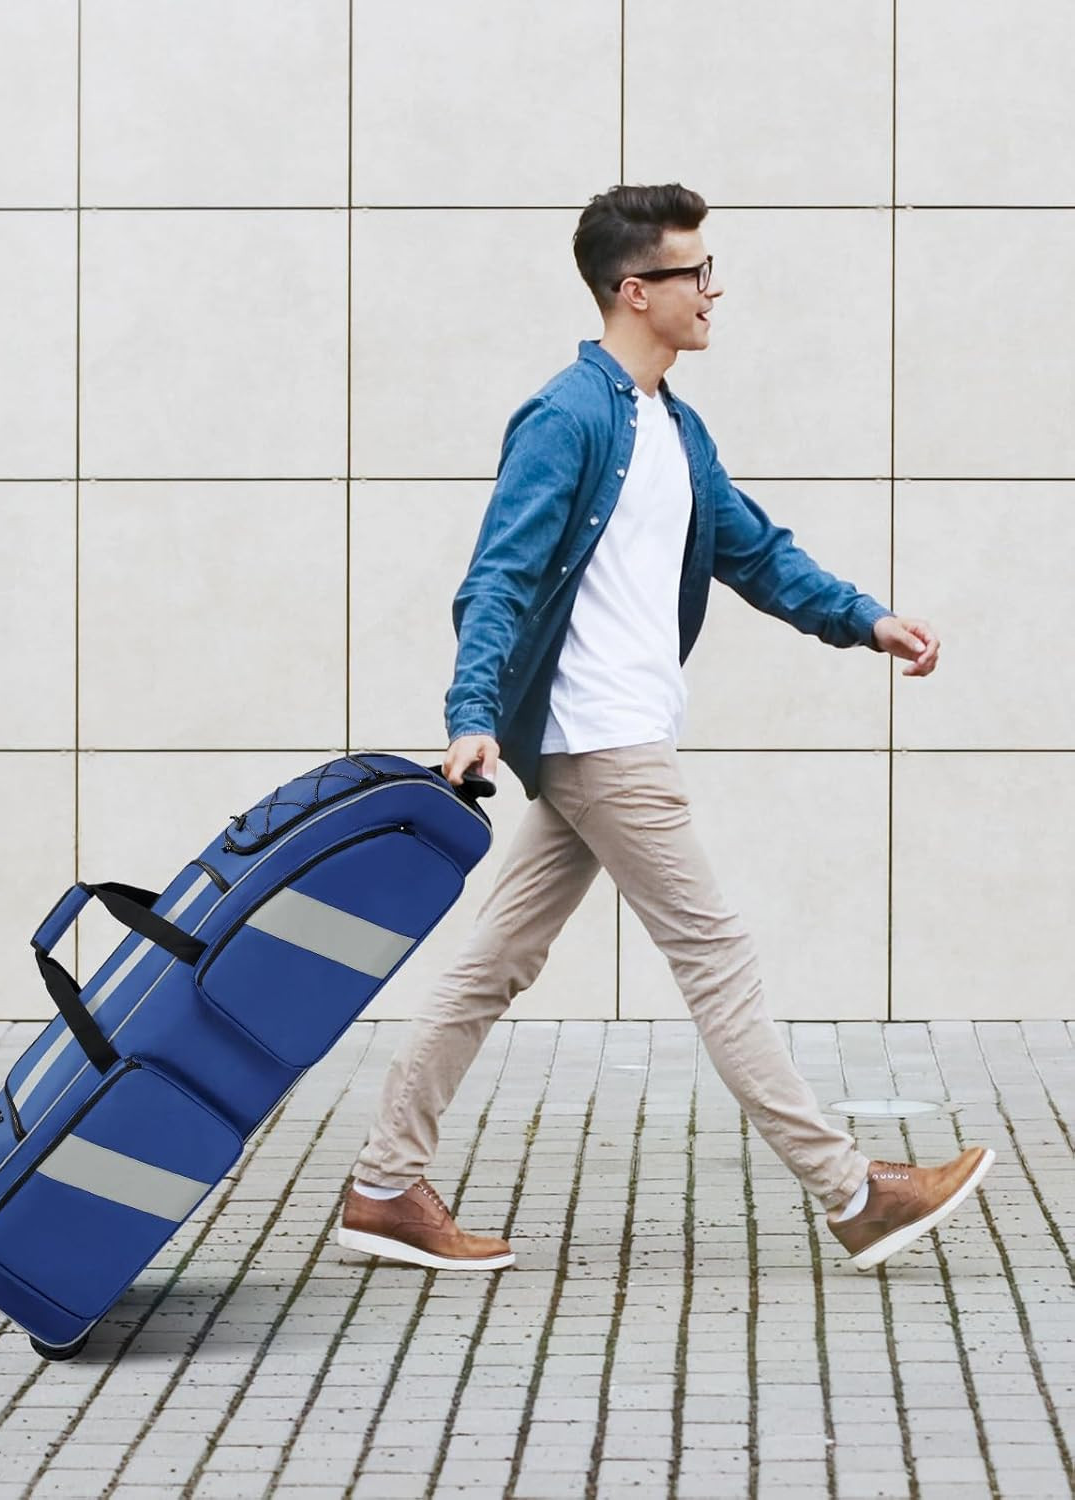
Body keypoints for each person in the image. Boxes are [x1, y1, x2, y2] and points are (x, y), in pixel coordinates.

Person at [338, 183, 992, 1275]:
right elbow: (498, 577)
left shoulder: (674, 429)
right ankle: (852, 1192)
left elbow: (757, 553)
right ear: (635, 290)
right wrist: (471, 714)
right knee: (717, 957)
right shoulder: (569, 418)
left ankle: (383, 1186)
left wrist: (867, 620)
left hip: (606, 740)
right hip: (606, 741)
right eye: (694, 272)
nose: (712, 290)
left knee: (493, 962)